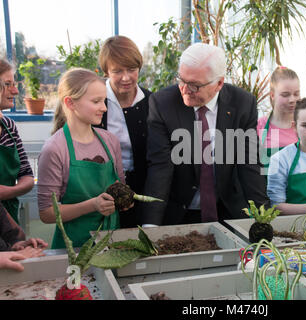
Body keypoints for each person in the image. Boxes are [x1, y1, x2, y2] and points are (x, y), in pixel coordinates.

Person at [140, 42, 269, 226]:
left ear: (219, 83)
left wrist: (262, 219)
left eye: (194, 85)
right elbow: (160, 167)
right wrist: (151, 225)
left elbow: (249, 164)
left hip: (228, 209)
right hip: (179, 212)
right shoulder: (163, 104)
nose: (184, 89)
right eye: (181, 80)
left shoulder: (242, 104)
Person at [38, 68, 126, 249]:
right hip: (74, 248)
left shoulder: (110, 141)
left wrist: (124, 199)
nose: (104, 108)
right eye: (96, 101)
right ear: (70, 103)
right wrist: (93, 205)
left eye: (104, 100)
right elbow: (47, 213)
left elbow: (120, 187)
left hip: (112, 243)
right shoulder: (55, 149)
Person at [96, 35, 152, 228]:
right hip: (100, 192)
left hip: (143, 191)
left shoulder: (152, 102)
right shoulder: (95, 101)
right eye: (117, 71)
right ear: (106, 71)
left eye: (132, 69)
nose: (126, 77)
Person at [0, 59, 34, 224]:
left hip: (9, 219)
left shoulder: (8, 126)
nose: (15, 91)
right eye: (8, 84)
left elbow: (26, 175)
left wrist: (8, 192)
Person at [257, 66, 300, 169]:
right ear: (272, 95)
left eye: (296, 94)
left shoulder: (304, 126)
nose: (292, 99)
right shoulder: (259, 126)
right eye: (285, 95)